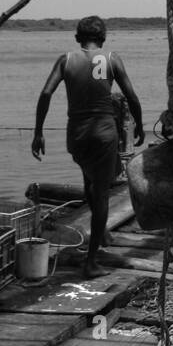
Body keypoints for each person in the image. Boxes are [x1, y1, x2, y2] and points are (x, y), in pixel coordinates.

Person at [32, 17, 144, 276]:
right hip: (104, 133)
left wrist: (38, 132)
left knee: (89, 182)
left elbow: (46, 93)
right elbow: (132, 96)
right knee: (102, 193)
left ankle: (102, 232)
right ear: (103, 38)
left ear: (77, 38)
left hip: (77, 136)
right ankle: (91, 262)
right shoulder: (112, 59)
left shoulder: (66, 60)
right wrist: (139, 123)